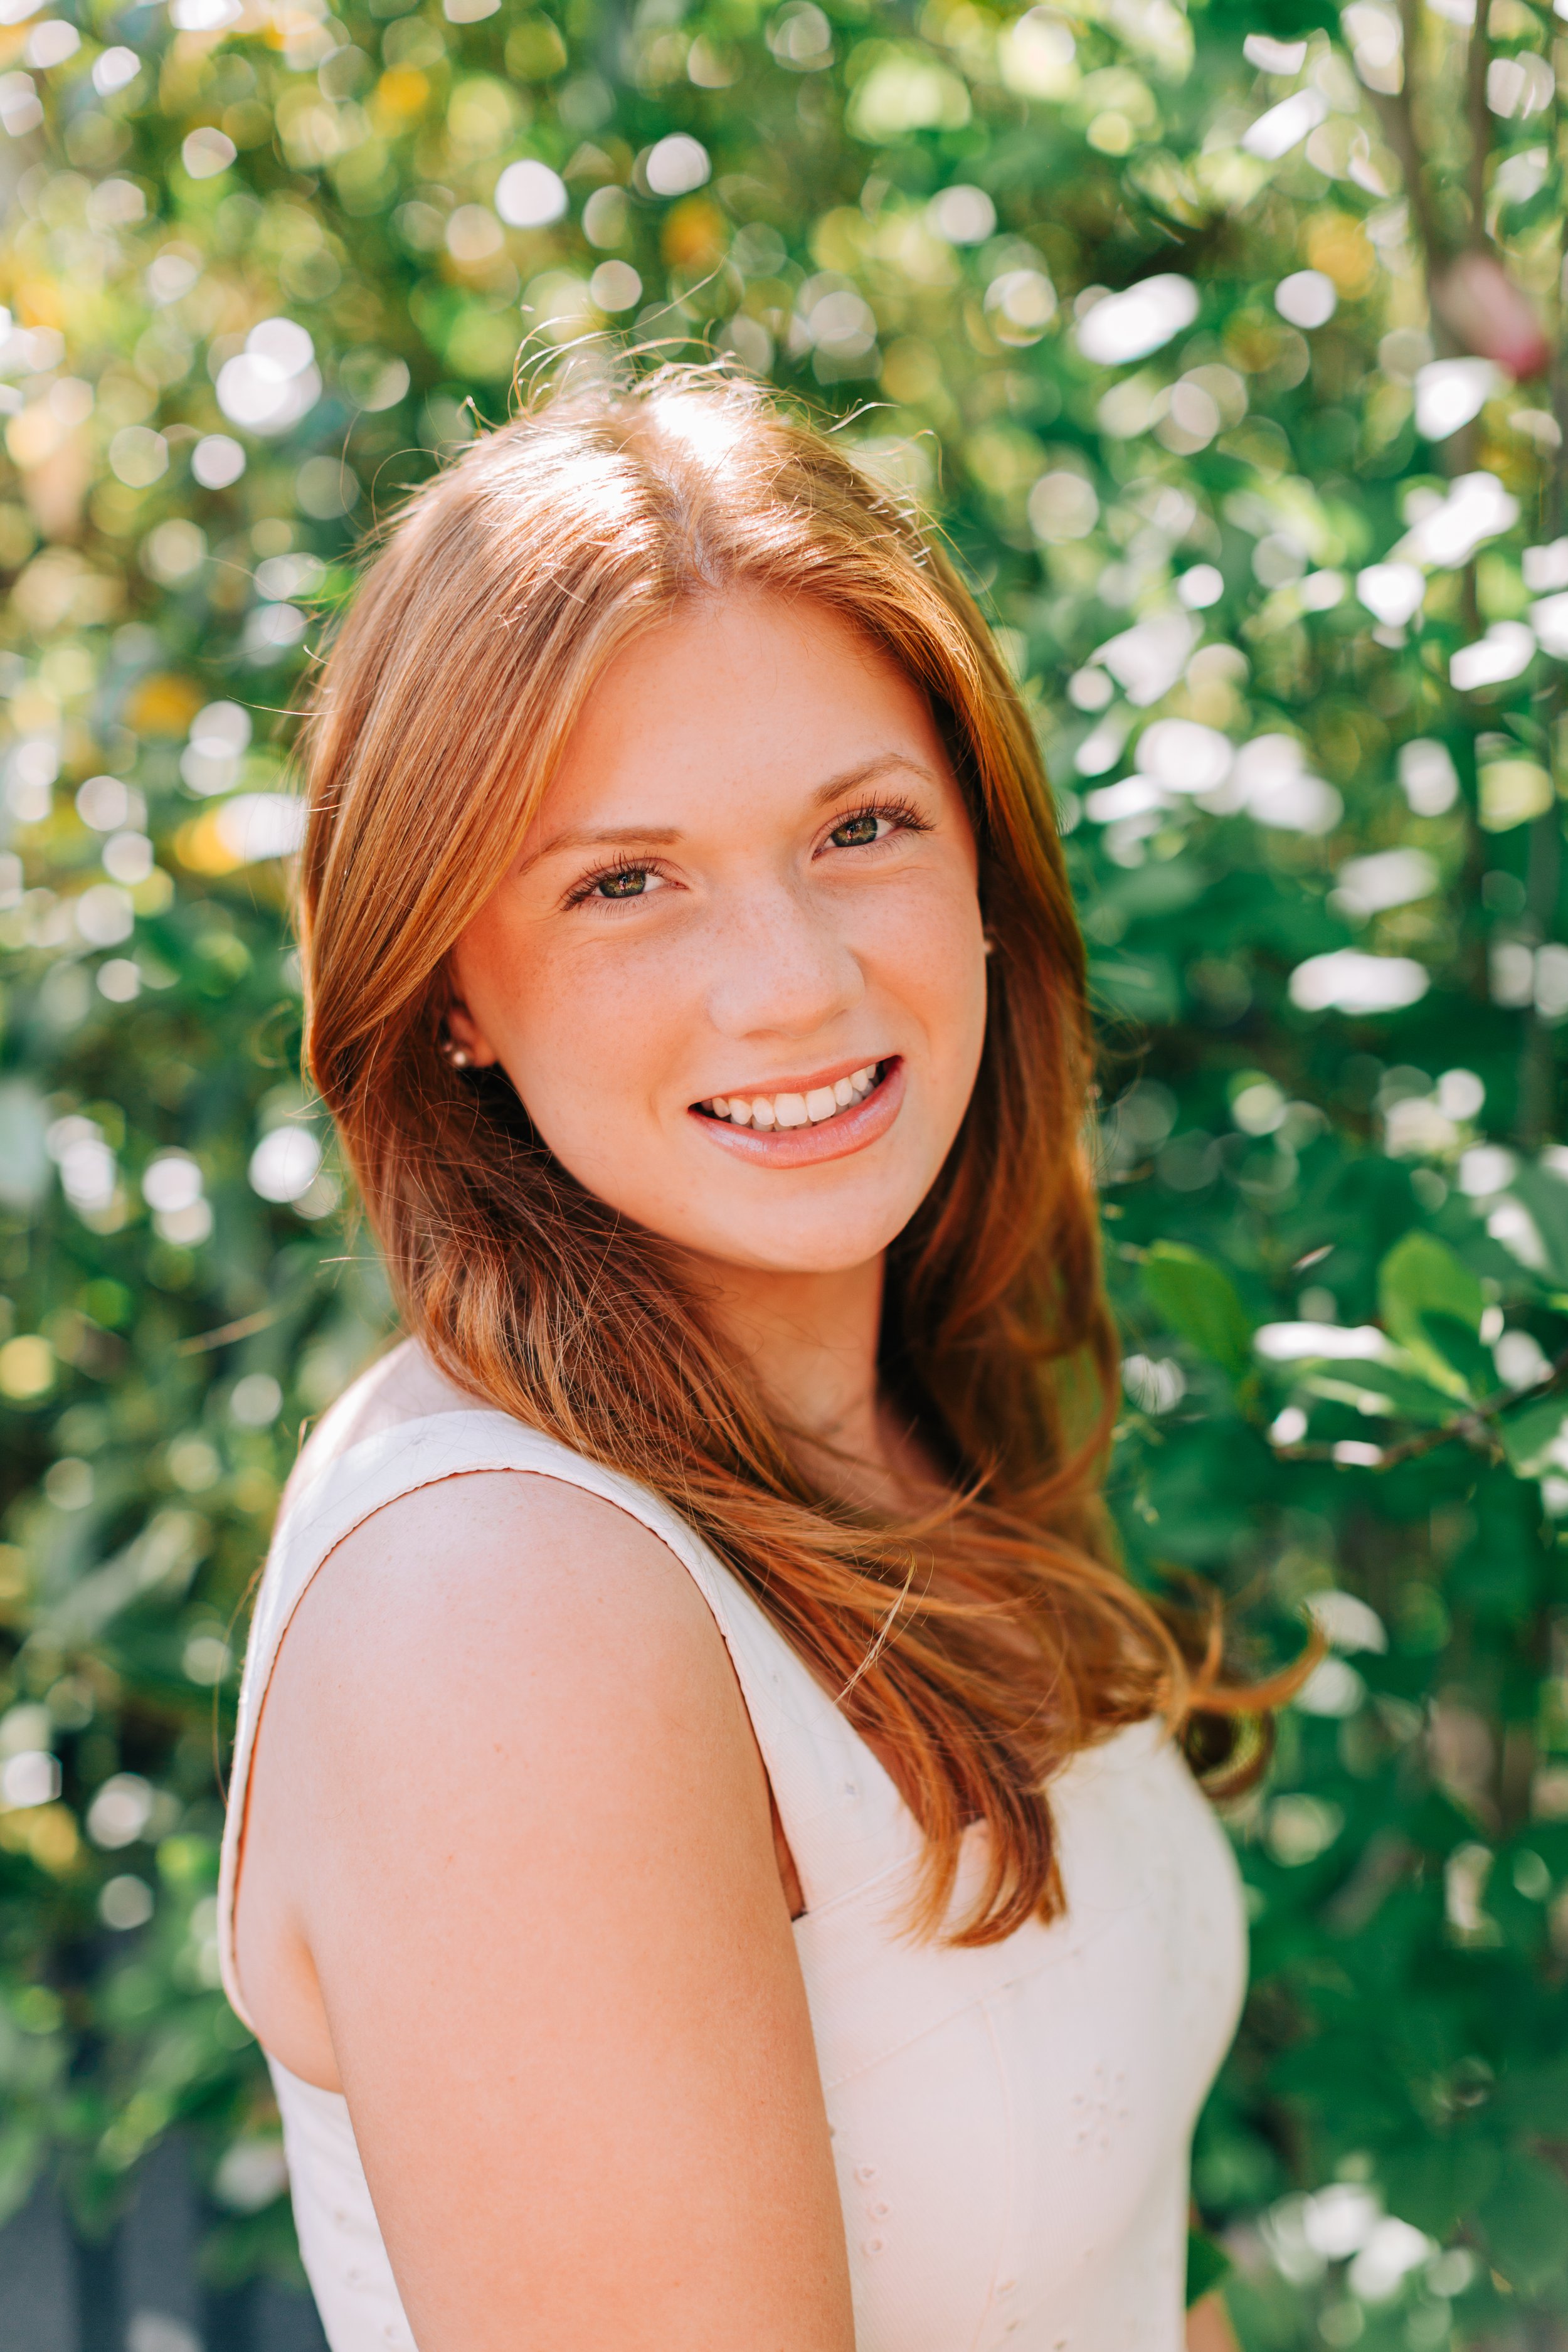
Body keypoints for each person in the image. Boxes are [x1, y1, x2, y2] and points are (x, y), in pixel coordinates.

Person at [218, 366, 1252, 2352]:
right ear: (445, 990)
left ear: (979, 871)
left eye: (858, 827)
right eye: (625, 880)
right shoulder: (497, 1607)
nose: (790, 981)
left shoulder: (890, 1431)